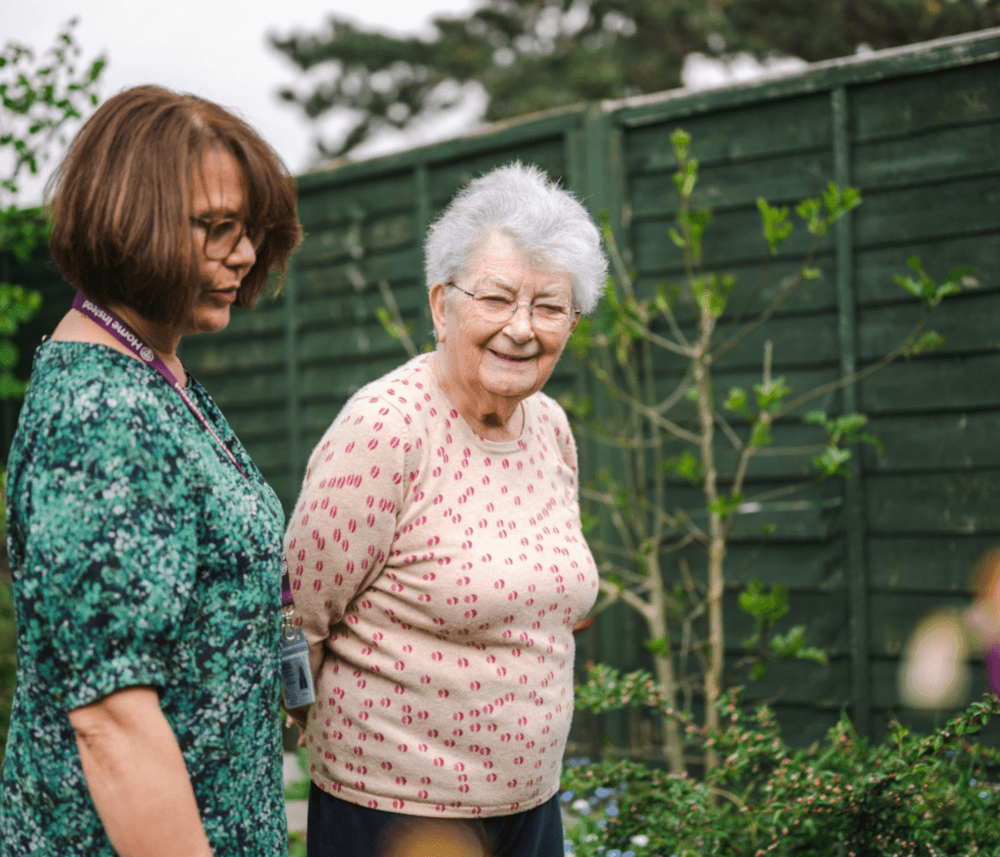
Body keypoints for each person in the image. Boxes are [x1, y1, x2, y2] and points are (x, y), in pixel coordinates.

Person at [0, 85, 301, 857]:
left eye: (252, 230)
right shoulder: (99, 415)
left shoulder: (153, 369)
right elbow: (111, 720)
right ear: (131, 221)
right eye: (216, 229)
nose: (244, 254)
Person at [284, 162, 606, 857]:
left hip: (533, 801)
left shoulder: (549, 426)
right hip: (395, 815)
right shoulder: (385, 428)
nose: (522, 329)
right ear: (441, 305)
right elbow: (298, 612)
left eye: (550, 307)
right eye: (496, 298)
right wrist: (301, 726)